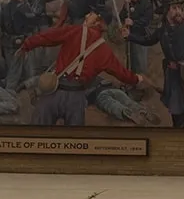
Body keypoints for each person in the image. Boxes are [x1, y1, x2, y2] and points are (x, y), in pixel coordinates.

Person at [18, 11, 152, 126]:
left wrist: (26, 45)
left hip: (55, 91)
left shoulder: (74, 30)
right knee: (76, 139)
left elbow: (48, 37)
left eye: (91, 15)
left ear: (98, 22)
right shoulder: (104, 51)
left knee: (36, 132)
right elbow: (121, 73)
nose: (87, 15)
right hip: (76, 98)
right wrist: (137, 79)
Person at [121, 0, 155, 76]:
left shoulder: (146, 4)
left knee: (140, 60)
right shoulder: (129, 4)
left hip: (141, 36)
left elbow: (147, 20)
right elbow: (121, 16)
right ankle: (132, 79)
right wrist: (125, 6)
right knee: (131, 58)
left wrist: (133, 23)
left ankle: (142, 81)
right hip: (130, 35)